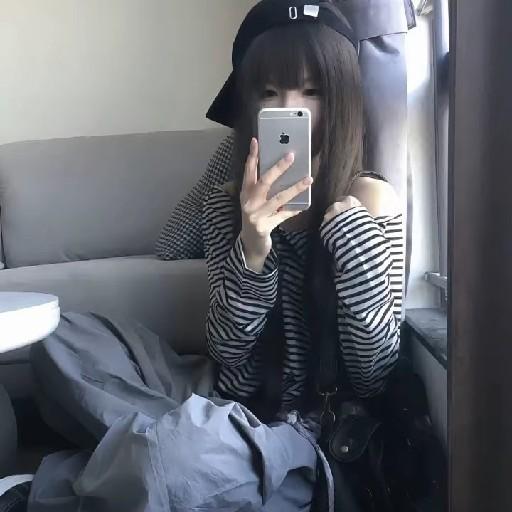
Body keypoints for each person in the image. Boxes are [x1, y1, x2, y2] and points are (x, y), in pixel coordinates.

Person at [19, 1, 403, 511]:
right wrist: (253, 246)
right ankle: (167, 451)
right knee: (57, 337)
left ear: (342, 98)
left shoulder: (370, 199)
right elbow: (229, 358)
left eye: (312, 91)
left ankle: (151, 458)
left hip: (303, 434)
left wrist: (352, 242)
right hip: (219, 399)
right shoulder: (228, 203)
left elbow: (373, 374)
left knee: (181, 458)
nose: (288, 110)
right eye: (270, 93)